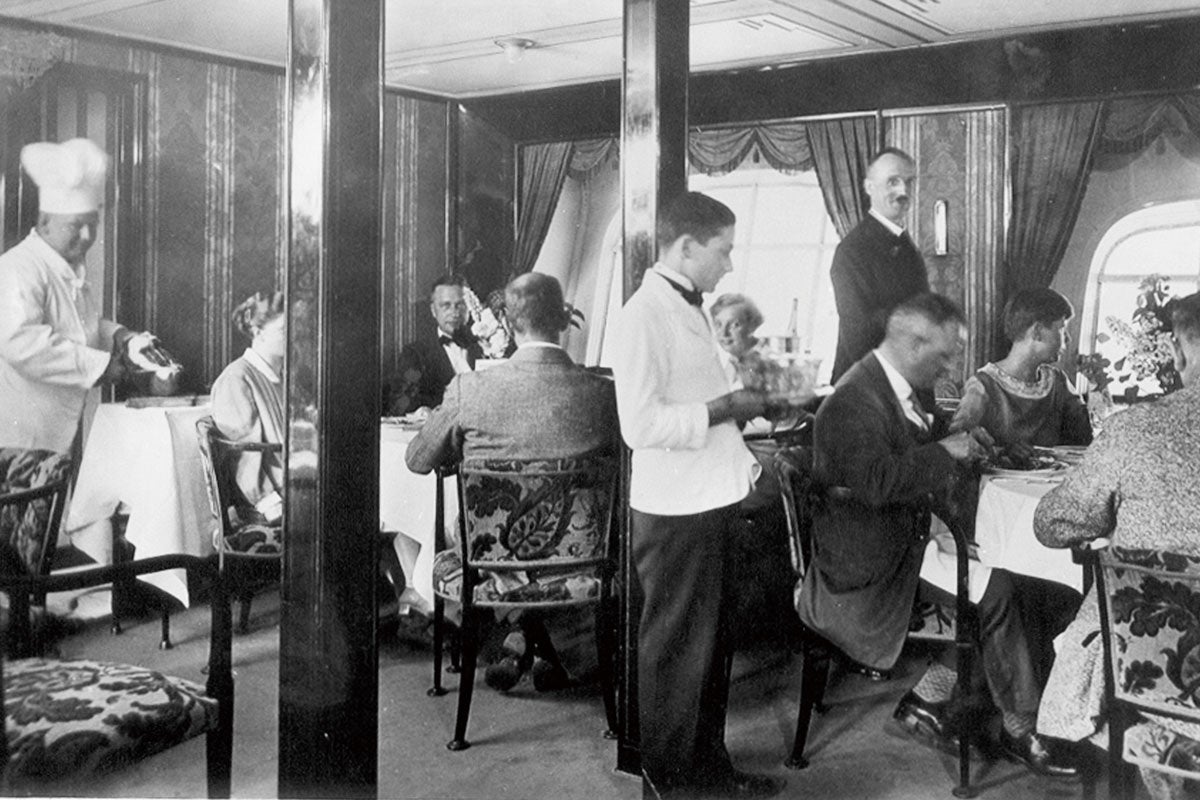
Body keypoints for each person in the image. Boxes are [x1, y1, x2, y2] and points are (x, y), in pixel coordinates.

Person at [796, 292, 1077, 777]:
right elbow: (875, 483)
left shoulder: (889, 386)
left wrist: (955, 439)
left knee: (1019, 578)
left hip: (905, 537)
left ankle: (930, 699)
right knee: (998, 589)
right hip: (871, 560)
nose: (950, 369)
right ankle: (1020, 728)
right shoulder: (852, 400)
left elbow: (902, 452)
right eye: (944, 356)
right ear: (913, 344)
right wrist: (946, 451)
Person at [611, 192, 792, 800]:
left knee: (710, 651)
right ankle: (671, 785)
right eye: (723, 250)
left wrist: (748, 401)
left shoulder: (690, 310)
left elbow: (701, 398)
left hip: (710, 498)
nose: (730, 264)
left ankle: (709, 771)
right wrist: (725, 407)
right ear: (687, 247)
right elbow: (640, 426)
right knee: (676, 656)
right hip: (674, 511)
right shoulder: (642, 314)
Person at [406, 272, 617, 692]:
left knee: (469, 536)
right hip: (579, 556)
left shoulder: (469, 390)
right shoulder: (602, 392)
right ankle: (546, 649)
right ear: (563, 319)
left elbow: (417, 460)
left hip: (495, 558)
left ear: (506, 321)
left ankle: (521, 639)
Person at [1034, 292, 1200, 799]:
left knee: (1090, 633)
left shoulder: (1134, 429)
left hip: (1152, 674)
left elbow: (1053, 523)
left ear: (1179, 353)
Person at [0, 138, 172, 452]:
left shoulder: (65, 268)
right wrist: (102, 367)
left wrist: (120, 336)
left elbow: (76, 325)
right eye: (76, 226)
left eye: (93, 225)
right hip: (18, 437)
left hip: (55, 431)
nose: (87, 236)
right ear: (45, 222)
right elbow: (21, 344)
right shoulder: (18, 267)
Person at [830, 147, 929, 385]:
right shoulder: (852, 251)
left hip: (909, 381)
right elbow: (858, 335)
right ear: (869, 187)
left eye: (909, 182)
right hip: (867, 387)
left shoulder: (907, 247)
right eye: (892, 182)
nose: (903, 191)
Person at [951, 287, 1092, 453]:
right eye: (1062, 329)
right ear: (1037, 331)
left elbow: (1084, 441)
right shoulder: (983, 386)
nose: (1068, 338)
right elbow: (960, 442)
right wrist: (1001, 453)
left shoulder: (1058, 382)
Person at [210, 291, 286, 523]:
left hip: (299, 488)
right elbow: (241, 454)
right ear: (257, 333)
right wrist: (272, 506)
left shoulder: (285, 378)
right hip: (270, 504)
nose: (294, 336)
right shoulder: (236, 379)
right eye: (284, 330)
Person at [384, 277, 483, 416]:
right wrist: (421, 411)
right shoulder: (416, 354)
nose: (454, 313)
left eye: (460, 305)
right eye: (446, 306)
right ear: (433, 310)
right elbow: (400, 400)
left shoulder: (485, 346)